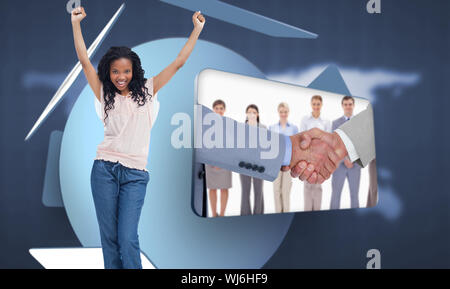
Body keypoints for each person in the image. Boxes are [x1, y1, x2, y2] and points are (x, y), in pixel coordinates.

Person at [71, 6, 205, 269]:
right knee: (109, 240)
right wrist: (76, 24)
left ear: (134, 72)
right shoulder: (104, 94)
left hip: (135, 175)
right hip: (104, 170)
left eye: (126, 71)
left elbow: (179, 62)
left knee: (127, 237)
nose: (121, 77)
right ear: (109, 74)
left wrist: (196, 29)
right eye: (115, 72)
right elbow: (85, 62)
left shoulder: (149, 89)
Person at [299, 95, 331, 211]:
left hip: (320, 157)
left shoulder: (326, 122)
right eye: (314, 104)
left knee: (318, 184)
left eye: (318, 104)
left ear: (321, 105)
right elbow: (301, 137)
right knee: (307, 183)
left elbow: (328, 141)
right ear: (311, 105)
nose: (316, 106)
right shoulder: (305, 120)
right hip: (307, 156)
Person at [330, 96, 361, 209]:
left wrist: (352, 160)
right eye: (346, 104)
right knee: (335, 196)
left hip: (355, 165)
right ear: (342, 106)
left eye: (350, 104)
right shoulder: (335, 123)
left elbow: (362, 144)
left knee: (354, 196)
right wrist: (344, 160)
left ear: (353, 105)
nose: (348, 107)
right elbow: (334, 145)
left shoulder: (360, 123)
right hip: (339, 166)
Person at [269, 103, 298, 213]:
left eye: (285, 111)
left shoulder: (294, 128)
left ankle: (286, 215)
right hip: (275, 164)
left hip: (288, 164)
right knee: (276, 191)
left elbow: (296, 147)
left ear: (288, 112)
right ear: (278, 112)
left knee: (286, 191)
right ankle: (278, 215)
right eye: (281, 112)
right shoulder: (272, 128)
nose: (283, 114)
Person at [205, 100, 232, 217]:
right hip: (211, 161)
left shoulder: (229, 125)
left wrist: (222, 161)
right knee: (212, 188)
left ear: (224, 110)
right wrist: (213, 160)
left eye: (221, 108)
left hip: (225, 160)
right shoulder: (208, 125)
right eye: (217, 108)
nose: (219, 110)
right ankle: (214, 214)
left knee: (224, 188)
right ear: (213, 110)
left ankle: (222, 214)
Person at [240, 104, 266, 215]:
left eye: (254, 112)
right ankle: (245, 215)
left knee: (258, 190)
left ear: (258, 114)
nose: (251, 114)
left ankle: (258, 214)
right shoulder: (240, 128)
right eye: (249, 112)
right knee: (245, 191)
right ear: (246, 114)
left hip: (259, 163)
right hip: (244, 162)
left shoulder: (263, 128)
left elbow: (266, 146)